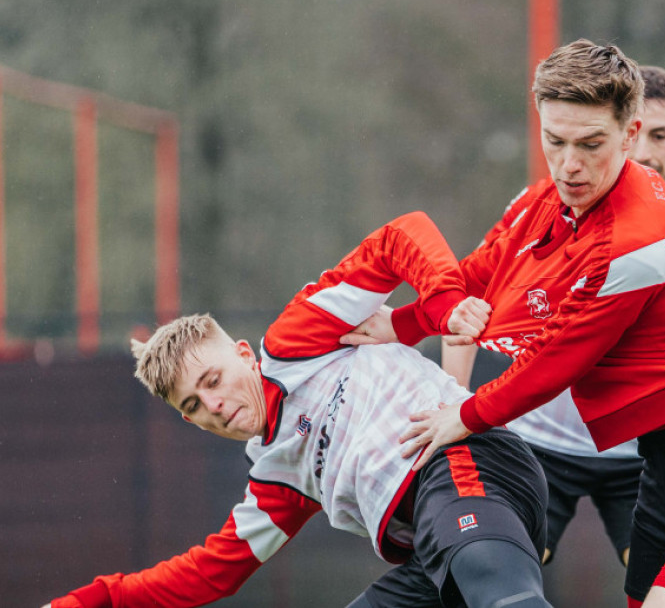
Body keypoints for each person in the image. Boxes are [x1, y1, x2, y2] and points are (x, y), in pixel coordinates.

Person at [370, 40, 665, 608]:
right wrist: (399, 324)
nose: (570, 164)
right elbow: (483, 272)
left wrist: (463, 415)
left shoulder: (640, 241)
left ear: (630, 135)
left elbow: (561, 359)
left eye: (591, 144)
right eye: (555, 141)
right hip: (663, 463)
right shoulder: (551, 198)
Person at [42, 212, 551, 608]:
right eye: (195, 404)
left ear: (244, 353)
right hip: (433, 542)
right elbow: (209, 575)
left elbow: (403, 235)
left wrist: (442, 304)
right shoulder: (274, 475)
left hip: (465, 463)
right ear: (188, 420)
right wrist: (100, 598)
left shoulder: (294, 340)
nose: (215, 405)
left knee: (499, 594)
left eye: (213, 380)